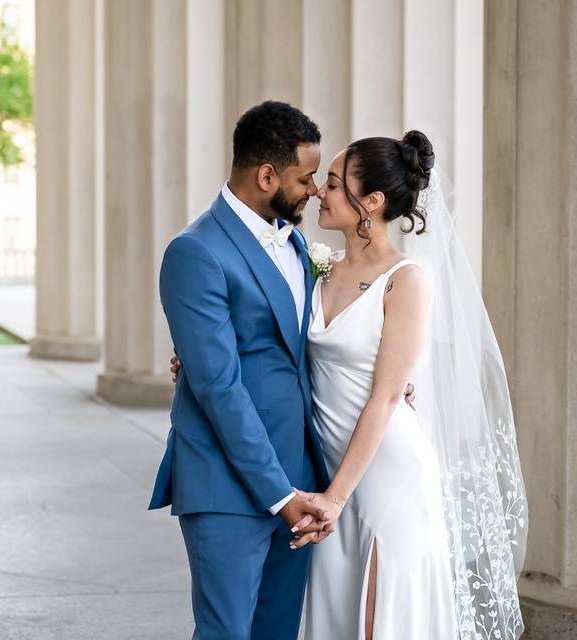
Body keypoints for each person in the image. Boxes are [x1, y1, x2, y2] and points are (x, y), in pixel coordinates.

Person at [170, 130, 528, 639]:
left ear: (372, 203)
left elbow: (385, 398)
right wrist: (194, 353)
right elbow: (269, 338)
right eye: (319, 181)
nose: (318, 192)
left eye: (333, 184)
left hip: (383, 471)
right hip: (323, 468)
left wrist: (335, 498)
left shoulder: (408, 279)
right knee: (335, 615)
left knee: (377, 621)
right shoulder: (314, 264)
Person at [148, 100, 331, 640]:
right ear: (266, 174)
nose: (315, 190)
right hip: (228, 483)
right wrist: (281, 495)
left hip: (299, 473)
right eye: (307, 178)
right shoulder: (195, 252)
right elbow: (218, 387)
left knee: (277, 632)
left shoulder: (295, 241)